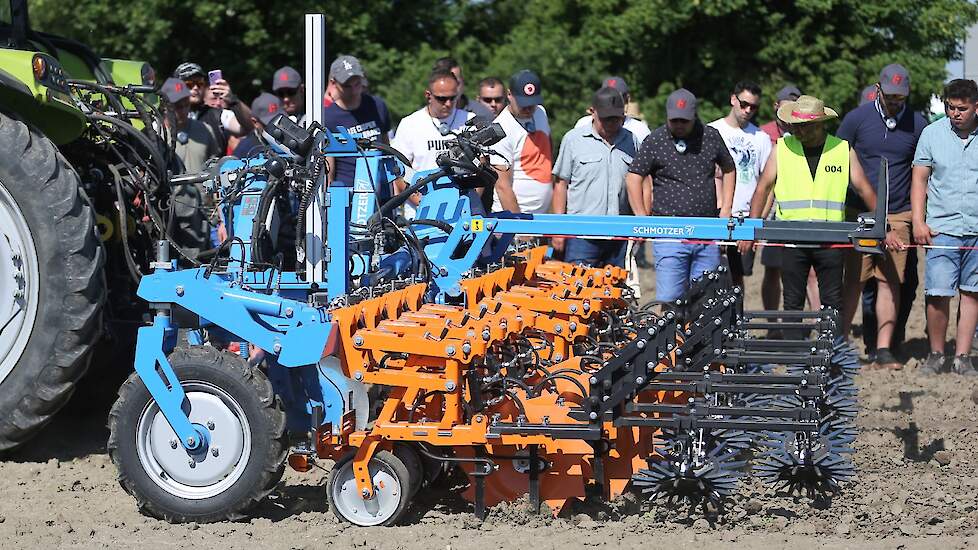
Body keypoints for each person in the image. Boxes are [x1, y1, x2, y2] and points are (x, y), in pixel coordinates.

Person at [740, 95, 878, 328]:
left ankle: (831, 356)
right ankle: (795, 358)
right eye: (796, 125)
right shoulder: (781, 149)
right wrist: (751, 229)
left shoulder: (842, 149)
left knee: (832, 303)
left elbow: (865, 189)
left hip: (831, 240)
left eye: (804, 126)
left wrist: (884, 224)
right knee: (792, 303)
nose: (798, 131)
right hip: (793, 239)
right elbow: (763, 188)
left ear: (820, 124)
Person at [838, 65, 928, 369]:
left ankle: (884, 348)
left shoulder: (918, 124)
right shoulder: (857, 119)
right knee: (854, 281)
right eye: (890, 95)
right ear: (878, 89)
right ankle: (841, 342)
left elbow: (922, 171)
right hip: (860, 213)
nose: (895, 101)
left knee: (891, 282)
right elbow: (839, 159)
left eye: (900, 97)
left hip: (899, 212)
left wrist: (916, 217)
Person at [625, 88, 735, 302]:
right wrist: (640, 216)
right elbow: (633, 176)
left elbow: (729, 168)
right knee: (669, 299)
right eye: (674, 120)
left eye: (684, 121)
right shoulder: (655, 140)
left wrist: (727, 209)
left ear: (694, 116)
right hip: (669, 233)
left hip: (706, 230)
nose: (679, 125)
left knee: (706, 298)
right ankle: (671, 336)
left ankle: (699, 336)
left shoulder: (710, 136)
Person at [911, 78, 978, 376]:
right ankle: (936, 353)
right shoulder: (931, 134)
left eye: (962, 108)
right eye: (950, 107)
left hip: (976, 229)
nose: (955, 113)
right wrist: (918, 220)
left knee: (972, 292)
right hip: (942, 228)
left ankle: (962, 357)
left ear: (976, 106)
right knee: (938, 293)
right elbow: (919, 180)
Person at [551, 87, 636, 267]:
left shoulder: (632, 140)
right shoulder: (573, 140)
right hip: (582, 236)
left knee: (616, 291)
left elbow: (640, 183)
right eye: (606, 118)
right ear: (593, 112)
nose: (612, 123)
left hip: (619, 235)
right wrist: (559, 230)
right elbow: (560, 184)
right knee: (578, 291)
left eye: (617, 118)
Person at [708, 80, 772, 287]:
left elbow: (769, 185)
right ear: (733, 99)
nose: (748, 110)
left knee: (737, 279)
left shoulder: (761, 138)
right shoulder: (711, 131)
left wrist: (757, 224)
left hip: (745, 219)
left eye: (754, 107)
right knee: (709, 275)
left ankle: (737, 320)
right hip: (714, 216)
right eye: (744, 104)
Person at [391, 68, 475, 218]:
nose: (448, 103)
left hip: (464, 211)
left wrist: (471, 202)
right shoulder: (410, 124)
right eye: (442, 99)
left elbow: (481, 166)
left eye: (453, 98)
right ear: (428, 96)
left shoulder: (470, 121)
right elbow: (399, 172)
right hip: (421, 213)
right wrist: (423, 201)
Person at [160, 77, 221, 256]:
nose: (183, 110)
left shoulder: (204, 130)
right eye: (177, 105)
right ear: (164, 106)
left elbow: (216, 172)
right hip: (168, 213)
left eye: (186, 104)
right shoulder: (154, 135)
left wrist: (220, 218)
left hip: (202, 215)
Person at [756, 85, 802, 311]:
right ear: (776, 106)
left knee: (804, 271)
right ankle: (773, 321)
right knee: (772, 268)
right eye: (785, 109)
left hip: (798, 206)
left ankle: (811, 323)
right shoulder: (762, 134)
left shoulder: (805, 132)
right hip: (771, 207)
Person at [323, 55, 392, 186]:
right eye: (347, 86)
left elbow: (386, 147)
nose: (354, 91)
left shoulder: (377, 105)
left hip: (380, 187)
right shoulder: (328, 117)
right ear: (333, 83)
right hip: (348, 191)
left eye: (357, 83)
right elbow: (329, 166)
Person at [491, 70, 553, 214]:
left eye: (532, 103)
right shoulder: (500, 129)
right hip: (515, 219)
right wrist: (521, 229)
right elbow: (502, 186)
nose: (528, 108)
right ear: (509, 95)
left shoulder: (540, 112)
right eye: (523, 103)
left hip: (541, 216)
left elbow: (547, 156)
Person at [172, 62, 253, 154]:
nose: (195, 88)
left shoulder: (218, 115)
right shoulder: (166, 115)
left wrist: (233, 100)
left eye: (199, 83)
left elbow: (249, 127)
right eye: (189, 84)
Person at [573, 77, 651, 144]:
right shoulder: (583, 124)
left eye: (616, 98)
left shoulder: (640, 130)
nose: (610, 101)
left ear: (627, 99)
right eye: (606, 97)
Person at [232, 92, 284, 158]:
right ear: (255, 122)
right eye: (269, 124)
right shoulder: (245, 149)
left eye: (279, 122)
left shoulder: (287, 139)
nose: (275, 129)